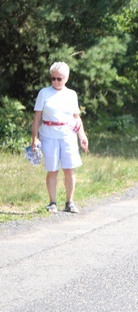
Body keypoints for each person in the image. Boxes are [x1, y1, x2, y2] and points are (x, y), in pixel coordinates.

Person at [30, 62, 89, 214]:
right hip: (49, 135)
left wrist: (82, 135)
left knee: (69, 170)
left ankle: (70, 201)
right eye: (53, 78)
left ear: (66, 78)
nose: (56, 81)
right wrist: (34, 138)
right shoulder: (44, 93)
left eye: (59, 78)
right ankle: (52, 202)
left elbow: (76, 117)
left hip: (68, 135)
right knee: (52, 170)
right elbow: (37, 118)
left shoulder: (71, 94)